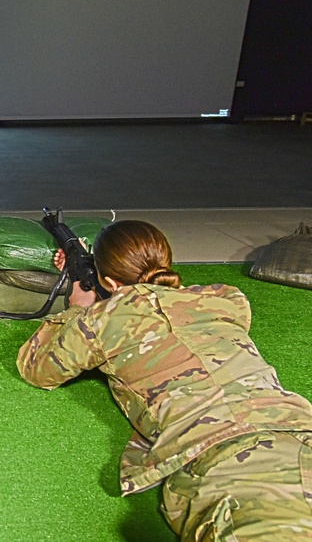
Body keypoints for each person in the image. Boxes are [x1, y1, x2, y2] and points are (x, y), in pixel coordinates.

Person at [16, 220, 312, 541]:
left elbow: (38, 369)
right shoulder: (226, 298)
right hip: (298, 431)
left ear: (110, 282)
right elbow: (166, 317)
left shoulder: (100, 322)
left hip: (219, 460)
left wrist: (79, 308)